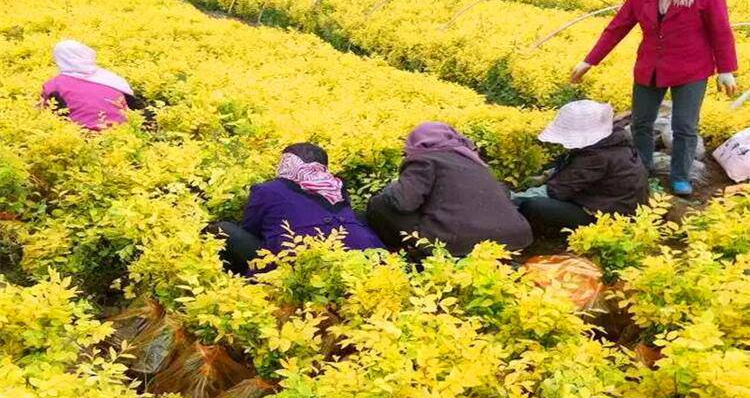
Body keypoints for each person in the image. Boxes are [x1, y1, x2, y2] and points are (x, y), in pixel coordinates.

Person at [570, 0, 738, 196]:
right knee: (641, 122)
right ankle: (642, 169)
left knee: (685, 126)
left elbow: (721, 31)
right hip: (651, 68)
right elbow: (617, 28)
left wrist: (726, 69)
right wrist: (590, 61)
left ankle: (680, 176)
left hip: (691, 69)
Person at [212, 143, 383, 274]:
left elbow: (251, 230)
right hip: (367, 258)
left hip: (300, 265)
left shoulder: (267, 189)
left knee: (222, 230)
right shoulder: (336, 186)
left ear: (286, 163)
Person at [366, 122, 533, 257]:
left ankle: (398, 252)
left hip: (460, 243)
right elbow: (503, 193)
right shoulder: (473, 159)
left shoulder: (424, 160)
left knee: (380, 204)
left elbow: (403, 202)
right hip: (514, 238)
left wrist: (394, 186)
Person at [515, 101, 649, 237]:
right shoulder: (613, 142)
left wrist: (511, 199)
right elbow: (576, 170)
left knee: (535, 206)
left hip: (607, 220)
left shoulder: (597, 157)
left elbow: (555, 191)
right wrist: (546, 176)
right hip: (612, 205)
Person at [41, 40, 140, 131]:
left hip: (85, 136)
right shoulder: (111, 78)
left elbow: (45, 113)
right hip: (125, 131)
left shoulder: (54, 85)